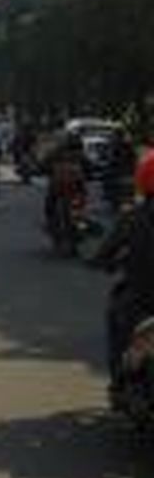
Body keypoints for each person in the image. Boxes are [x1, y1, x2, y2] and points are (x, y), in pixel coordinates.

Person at [93, 150, 154, 399]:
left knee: (117, 323)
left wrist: (99, 262)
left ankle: (119, 380)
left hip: (140, 298)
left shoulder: (132, 217)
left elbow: (105, 253)